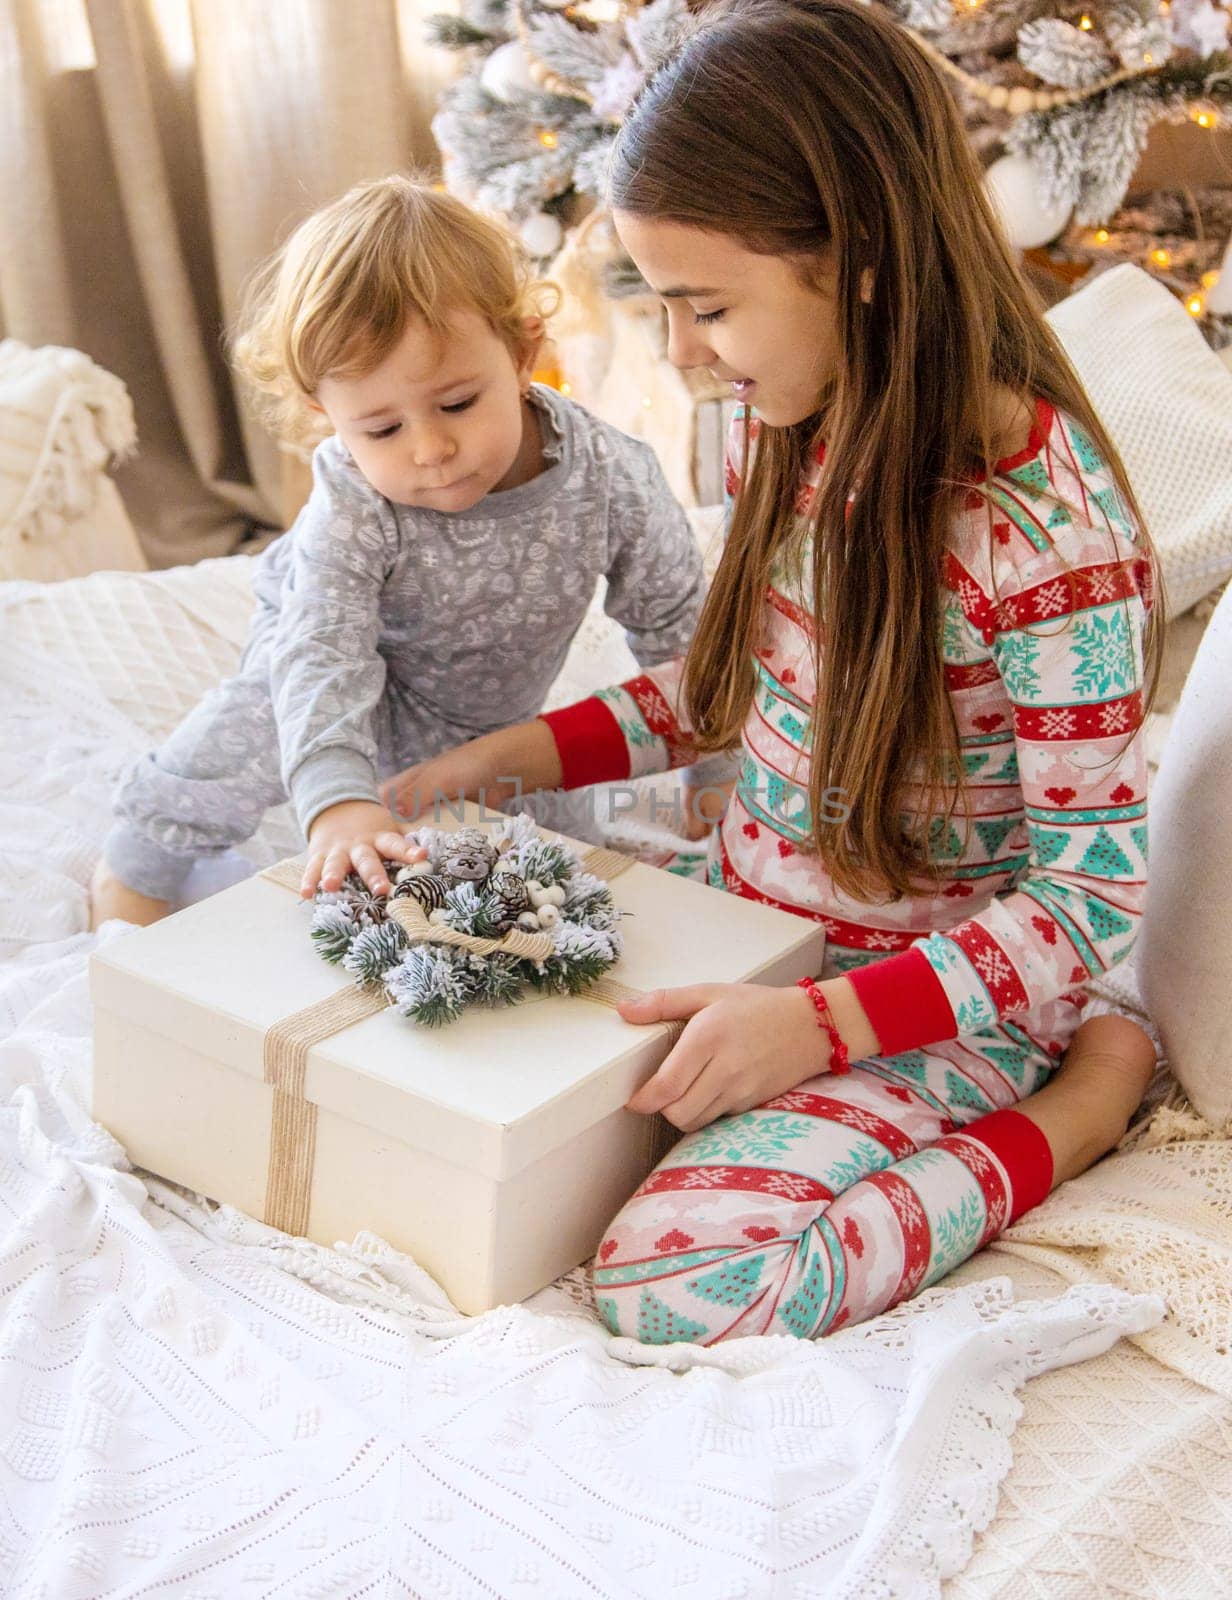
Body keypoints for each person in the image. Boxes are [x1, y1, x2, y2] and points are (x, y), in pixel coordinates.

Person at [378, 0, 1162, 1343]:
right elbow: (742, 684)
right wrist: (503, 760)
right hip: (746, 916)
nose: (683, 354)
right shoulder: (790, 426)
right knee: (427, 1070)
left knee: (680, 1285)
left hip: (937, 997)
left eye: (708, 307)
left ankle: (1078, 1112)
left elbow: (1092, 897)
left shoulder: (1047, 537)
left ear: (854, 260)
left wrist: (826, 1029)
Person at [88, 175, 721, 930]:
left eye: (458, 404)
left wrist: (713, 768)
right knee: (243, 740)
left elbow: (683, 629)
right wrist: (337, 804)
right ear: (330, 417)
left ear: (522, 354)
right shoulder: (354, 499)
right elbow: (323, 649)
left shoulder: (614, 475)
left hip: (488, 707)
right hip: (334, 646)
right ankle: (133, 864)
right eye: (382, 430)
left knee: (553, 861)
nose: (430, 449)